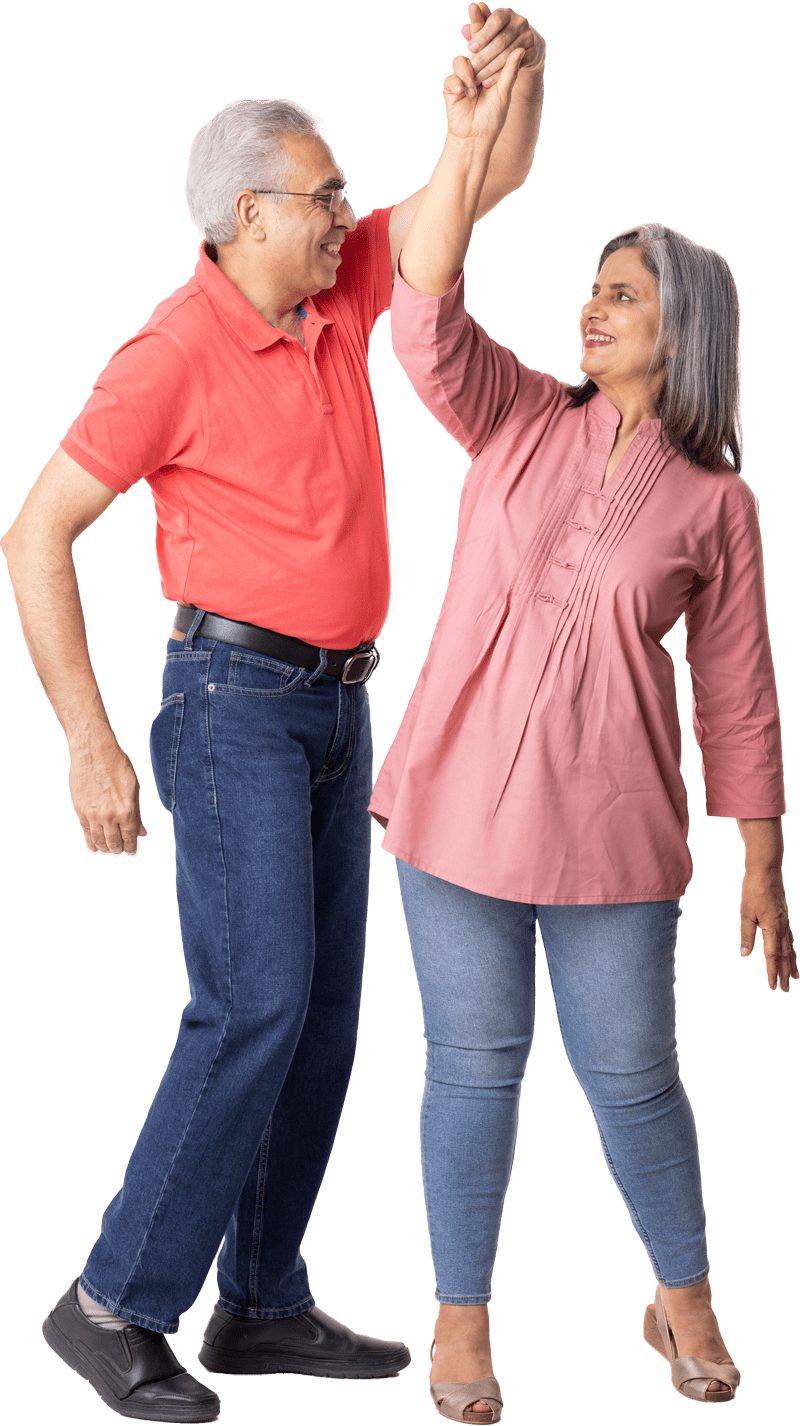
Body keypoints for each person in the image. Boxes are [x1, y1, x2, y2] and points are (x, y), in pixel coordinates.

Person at [0, 8, 547, 1423]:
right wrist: (90, 740)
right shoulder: (170, 350)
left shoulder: (341, 288)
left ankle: (264, 1300)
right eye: (323, 194)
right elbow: (35, 532)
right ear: (247, 212)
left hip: (336, 703)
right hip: (230, 699)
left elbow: (481, 184)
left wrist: (505, 90)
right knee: (252, 1001)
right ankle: (113, 1297)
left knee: (323, 1016)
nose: (344, 209)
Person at [368, 43, 795, 1424]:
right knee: (470, 1071)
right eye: (593, 288)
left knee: (636, 1078)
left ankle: (681, 1294)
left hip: (613, 832)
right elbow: (422, 312)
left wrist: (761, 861)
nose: (592, 307)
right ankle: (462, 1319)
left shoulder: (717, 504)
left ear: (690, 322)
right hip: (451, 816)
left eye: (623, 292)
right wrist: (471, 140)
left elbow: (736, 691)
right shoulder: (515, 416)